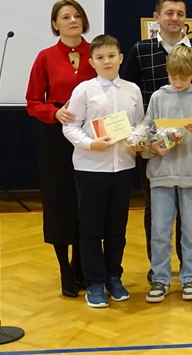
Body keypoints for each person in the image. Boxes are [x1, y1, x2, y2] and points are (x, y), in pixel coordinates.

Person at [122, 0, 192, 281]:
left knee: (190, 224)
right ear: (157, 17)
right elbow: (129, 94)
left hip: (191, 160)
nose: (174, 18)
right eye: (169, 13)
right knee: (157, 217)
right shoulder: (141, 50)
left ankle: (189, 271)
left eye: (180, 13)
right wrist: (143, 141)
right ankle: (159, 271)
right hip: (159, 157)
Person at [61, 35, 144, 309]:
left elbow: (139, 124)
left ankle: (113, 277)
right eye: (100, 57)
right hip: (90, 169)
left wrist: (139, 140)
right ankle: (94, 283)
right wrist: (90, 144)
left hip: (123, 168)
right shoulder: (84, 91)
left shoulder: (132, 90)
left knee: (117, 229)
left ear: (120, 58)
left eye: (111, 56)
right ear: (92, 62)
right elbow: (70, 126)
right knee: (91, 229)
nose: (106, 61)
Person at [25, 0, 98, 298]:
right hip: (56, 136)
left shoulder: (96, 52)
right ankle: (64, 268)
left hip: (91, 135)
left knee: (86, 200)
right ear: (55, 24)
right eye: (65, 17)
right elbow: (32, 101)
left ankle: (81, 264)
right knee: (59, 200)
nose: (73, 21)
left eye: (77, 15)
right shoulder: (45, 57)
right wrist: (53, 113)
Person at [143, 45, 192, 303]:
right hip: (161, 173)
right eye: (173, 77)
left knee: (190, 230)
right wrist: (153, 146)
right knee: (159, 230)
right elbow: (145, 132)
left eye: (184, 78)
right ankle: (160, 277)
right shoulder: (158, 97)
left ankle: (189, 276)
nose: (178, 83)